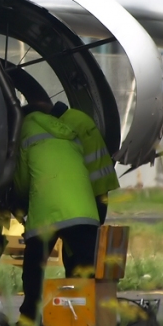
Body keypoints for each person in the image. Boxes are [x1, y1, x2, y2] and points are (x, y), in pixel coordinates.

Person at [14, 100, 103, 326]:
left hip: (47, 210)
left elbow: (23, 182)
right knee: (86, 266)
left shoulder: (26, 131)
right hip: (84, 209)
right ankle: (89, 318)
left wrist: (18, 200)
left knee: (35, 265)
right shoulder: (67, 131)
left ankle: (30, 319)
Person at [52, 101, 120, 277]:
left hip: (85, 195)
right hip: (101, 189)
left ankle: (80, 291)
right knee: (90, 244)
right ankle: (87, 290)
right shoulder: (78, 117)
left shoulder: (64, 126)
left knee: (79, 247)